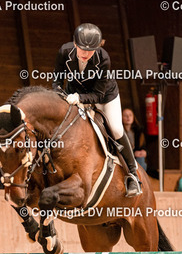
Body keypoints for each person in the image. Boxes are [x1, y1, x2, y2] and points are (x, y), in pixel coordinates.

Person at [52, 23, 141, 197]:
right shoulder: (64, 52)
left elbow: (98, 94)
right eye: (82, 49)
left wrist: (80, 98)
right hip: (73, 94)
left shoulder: (104, 59)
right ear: (75, 44)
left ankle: (133, 175)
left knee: (116, 129)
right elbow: (57, 80)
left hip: (104, 97)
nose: (86, 54)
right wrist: (59, 95)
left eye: (91, 50)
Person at [122, 108, 147, 172]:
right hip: (124, 157)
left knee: (141, 159)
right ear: (121, 117)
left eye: (130, 115)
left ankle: (139, 177)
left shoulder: (138, 131)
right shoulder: (119, 132)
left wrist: (144, 151)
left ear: (133, 117)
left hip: (137, 157)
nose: (128, 117)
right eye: (125, 115)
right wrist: (133, 153)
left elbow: (142, 145)